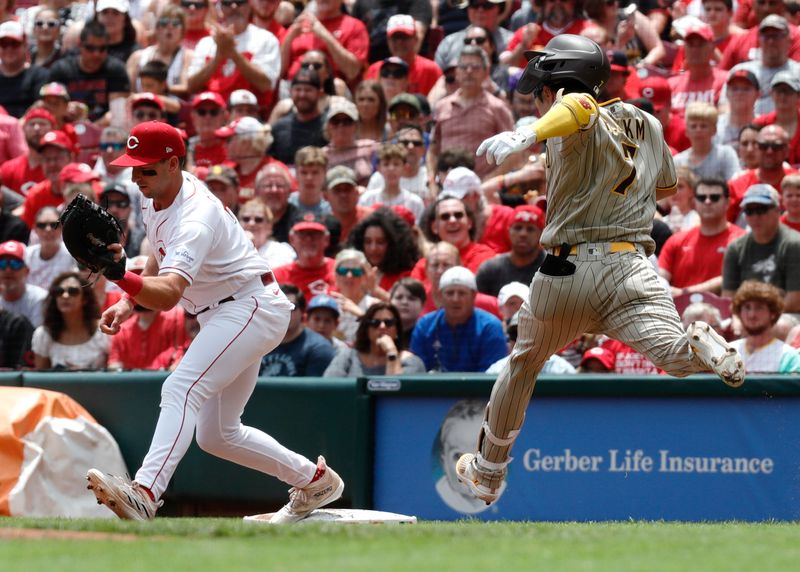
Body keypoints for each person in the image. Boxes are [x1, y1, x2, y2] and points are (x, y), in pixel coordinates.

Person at [455, 35, 746, 506]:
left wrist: (525, 135)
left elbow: (579, 109)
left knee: (524, 363)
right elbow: (668, 183)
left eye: (543, 87)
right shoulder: (646, 120)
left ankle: (488, 471)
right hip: (633, 264)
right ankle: (701, 344)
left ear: (562, 79)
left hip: (569, 271)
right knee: (672, 356)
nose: (541, 95)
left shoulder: (574, 105)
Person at [85, 121, 344, 523]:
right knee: (218, 434)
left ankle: (146, 491)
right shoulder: (156, 193)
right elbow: (158, 251)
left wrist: (120, 275)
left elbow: (169, 293)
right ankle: (315, 480)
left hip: (249, 306)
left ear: (173, 164)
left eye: (146, 169)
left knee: (180, 388)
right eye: (133, 168)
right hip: (226, 311)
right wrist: (128, 300)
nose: (137, 178)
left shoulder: (196, 217)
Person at [428, 46, 515, 180]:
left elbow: (513, 153)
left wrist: (488, 182)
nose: (469, 71)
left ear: (486, 72)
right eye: (463, 67)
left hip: (482, 190)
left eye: (475, 67)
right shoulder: (442, 107)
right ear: (457, 72)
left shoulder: (498, 108)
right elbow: (433, 150)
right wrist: (431, 183)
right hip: (445, 188)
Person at [187, 0, 280, 110]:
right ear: (220, 8)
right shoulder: (206, 43)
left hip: (249, 114)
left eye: (239, 2)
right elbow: (191, 86)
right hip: (211, 114)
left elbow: (265, 85)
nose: (234, 6)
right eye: (227, 3)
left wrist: (233, 53)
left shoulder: (266, 39)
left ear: (250, 5)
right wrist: (218, 57)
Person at [410, 265, 507, 372]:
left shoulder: (490, 327)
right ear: (440, 295)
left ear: (474, 295)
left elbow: (492, 375)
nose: (455, 299)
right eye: (450, 293)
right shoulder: (425, 326)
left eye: (462, 293)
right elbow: (418, 370)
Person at [659, 178, 746, 296]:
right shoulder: (676, 241)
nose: (708, 201)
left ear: (727, 203)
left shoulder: (742, 240)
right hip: (680, 311)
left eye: (714, 197)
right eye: (702, 197)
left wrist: (685, 293)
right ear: (694, 202)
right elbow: (660, 279)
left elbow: (733, 277)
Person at [722, 184, 800, 312]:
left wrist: (760, 319)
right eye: (749, 211)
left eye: (761, 209)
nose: (755, 217)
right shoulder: (735, 249)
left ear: (777, 210)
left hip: (787, 315)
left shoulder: (794, 244)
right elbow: (728, 298)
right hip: (746, 316)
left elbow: (795, 301)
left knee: (781, 326)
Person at [106, 256, 187, 370]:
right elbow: (114, 365)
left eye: (146, 283)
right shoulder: (121, 330)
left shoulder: (177, 318)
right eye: (133, 284)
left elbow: (183, 354)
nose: (140, 290)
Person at [47, 20, 131, 124]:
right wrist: (66, 109)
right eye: (90, 48)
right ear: (79, 45)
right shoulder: (61, 69)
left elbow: (117, 113)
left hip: (103, 131)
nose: (96, 54)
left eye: (102, 49)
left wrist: (90, 130)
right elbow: (51, 107)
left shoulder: (116, 70)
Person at [324, 301, 426, 376]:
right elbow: (329, 388)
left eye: (388, 323)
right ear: (366, 329)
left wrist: (391, 352)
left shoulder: (412, 362)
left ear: (397, 330)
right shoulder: (348, 356)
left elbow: (396, 393)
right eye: (375, 323)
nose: (382, 327)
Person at [32, 271, 109, 370]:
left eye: (73, 291)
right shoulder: (43, 334)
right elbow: (40, 376)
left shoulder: (104, 331)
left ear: (85, 299)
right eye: (59, 291)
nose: (65, 296)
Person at [258, 283, 336, 377]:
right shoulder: (256, 343)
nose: (285, 312)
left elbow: (316, 390)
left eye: (291, 307)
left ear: (302, 313)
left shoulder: (319, 348)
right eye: (278, 306)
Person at [475, 204, 546, 297]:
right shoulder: (490, 270)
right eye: (518, 228)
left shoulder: (550, 270)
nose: (523, 234)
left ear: (541, 234)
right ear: (508, 231)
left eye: (530, 229)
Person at [730, 281, 800, 373]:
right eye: (747, 307)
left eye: (759, 308)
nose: (752, 314)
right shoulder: (728, 352)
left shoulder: (788, 357)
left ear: (773, 313)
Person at [348, 207, 421, 293]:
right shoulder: (350, 273)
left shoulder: (407, 276)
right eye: (368, 242)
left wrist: (375, 290)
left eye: (380, 242)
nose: (373, 248)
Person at [270, 68, 328, 165]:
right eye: (298, 89)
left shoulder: (329, 127)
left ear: (320, 93)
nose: (302, 95)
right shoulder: (279, 128)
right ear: (290, 92)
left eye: (308, 90)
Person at [273, 214, 337, 301]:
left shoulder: (340, 271)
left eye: (315, 234)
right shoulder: (278, 276)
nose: (309, 239)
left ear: (326, 239)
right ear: (292, 239)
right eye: (302, 234)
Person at [357, 142, 425, 221]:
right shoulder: (367, 199)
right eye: (386, 164)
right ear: (379, 168)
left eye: (396, 164)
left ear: (404, 167)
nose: (391, 169)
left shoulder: (415, 202)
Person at [329, 248, 381, 343]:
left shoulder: (374, 305)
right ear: (335, 275)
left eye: (356, 272)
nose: (349, 275)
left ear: (365, 276)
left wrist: (360, 314)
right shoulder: (328, 303)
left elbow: (381, 334)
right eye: (343, 271)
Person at [0, 21, 49, 118]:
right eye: (4, 44)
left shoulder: (40, 75)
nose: (9, 49)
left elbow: (41, 108)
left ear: (25, 45)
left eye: (15, 44)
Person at [24, 206, 78, 290]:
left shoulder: (73, 254)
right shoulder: (26, 255)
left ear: (62, 228)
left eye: (54, 225)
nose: (48, 229)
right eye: (42, 225)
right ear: (35, 229)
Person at [0, 240, 48, 328]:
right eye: (2, 264)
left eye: (15, 264)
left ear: (26, 271)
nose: (8, 270)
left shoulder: (40, 299)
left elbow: (33, 338)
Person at [238, 197, 296, 268]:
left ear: (269, 227)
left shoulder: (282, 250)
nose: (251, 223)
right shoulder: (230, 249)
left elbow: (270, 275)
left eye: (258, 219)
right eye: (246, 219)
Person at [389, 277, 426, 349]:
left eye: (412, 298)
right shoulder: (381, 330)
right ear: (390, 301)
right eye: (399, 297)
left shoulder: (427, 335)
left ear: (423, 305)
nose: (404, 302)